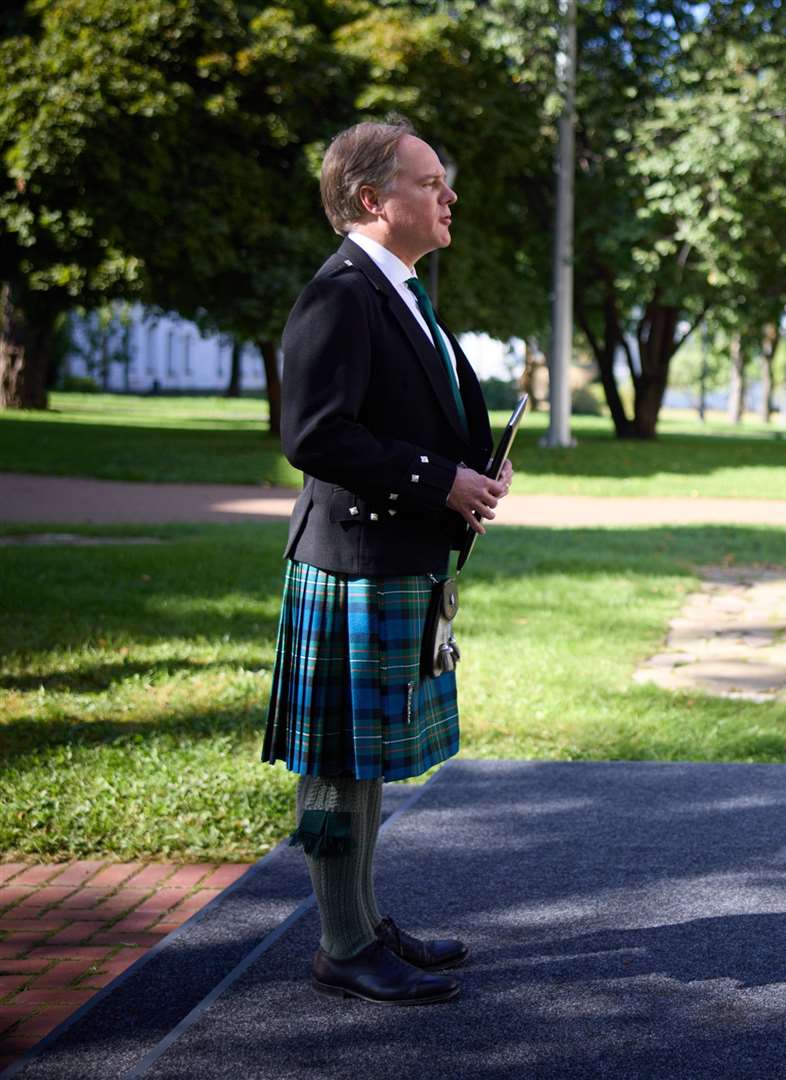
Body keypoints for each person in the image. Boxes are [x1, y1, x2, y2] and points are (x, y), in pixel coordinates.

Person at [261, 117, 511, 1005]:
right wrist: (439, 481)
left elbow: (410, 410)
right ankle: (340, 942)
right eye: (430, 182)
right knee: (338, 760)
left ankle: (362, 924)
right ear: (373, 200)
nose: (450, 196)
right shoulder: (340, 293)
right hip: (352, 561)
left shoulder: (398, 289)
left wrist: (471, 470)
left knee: (362, 761)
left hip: (390, 554)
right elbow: (316, 435)